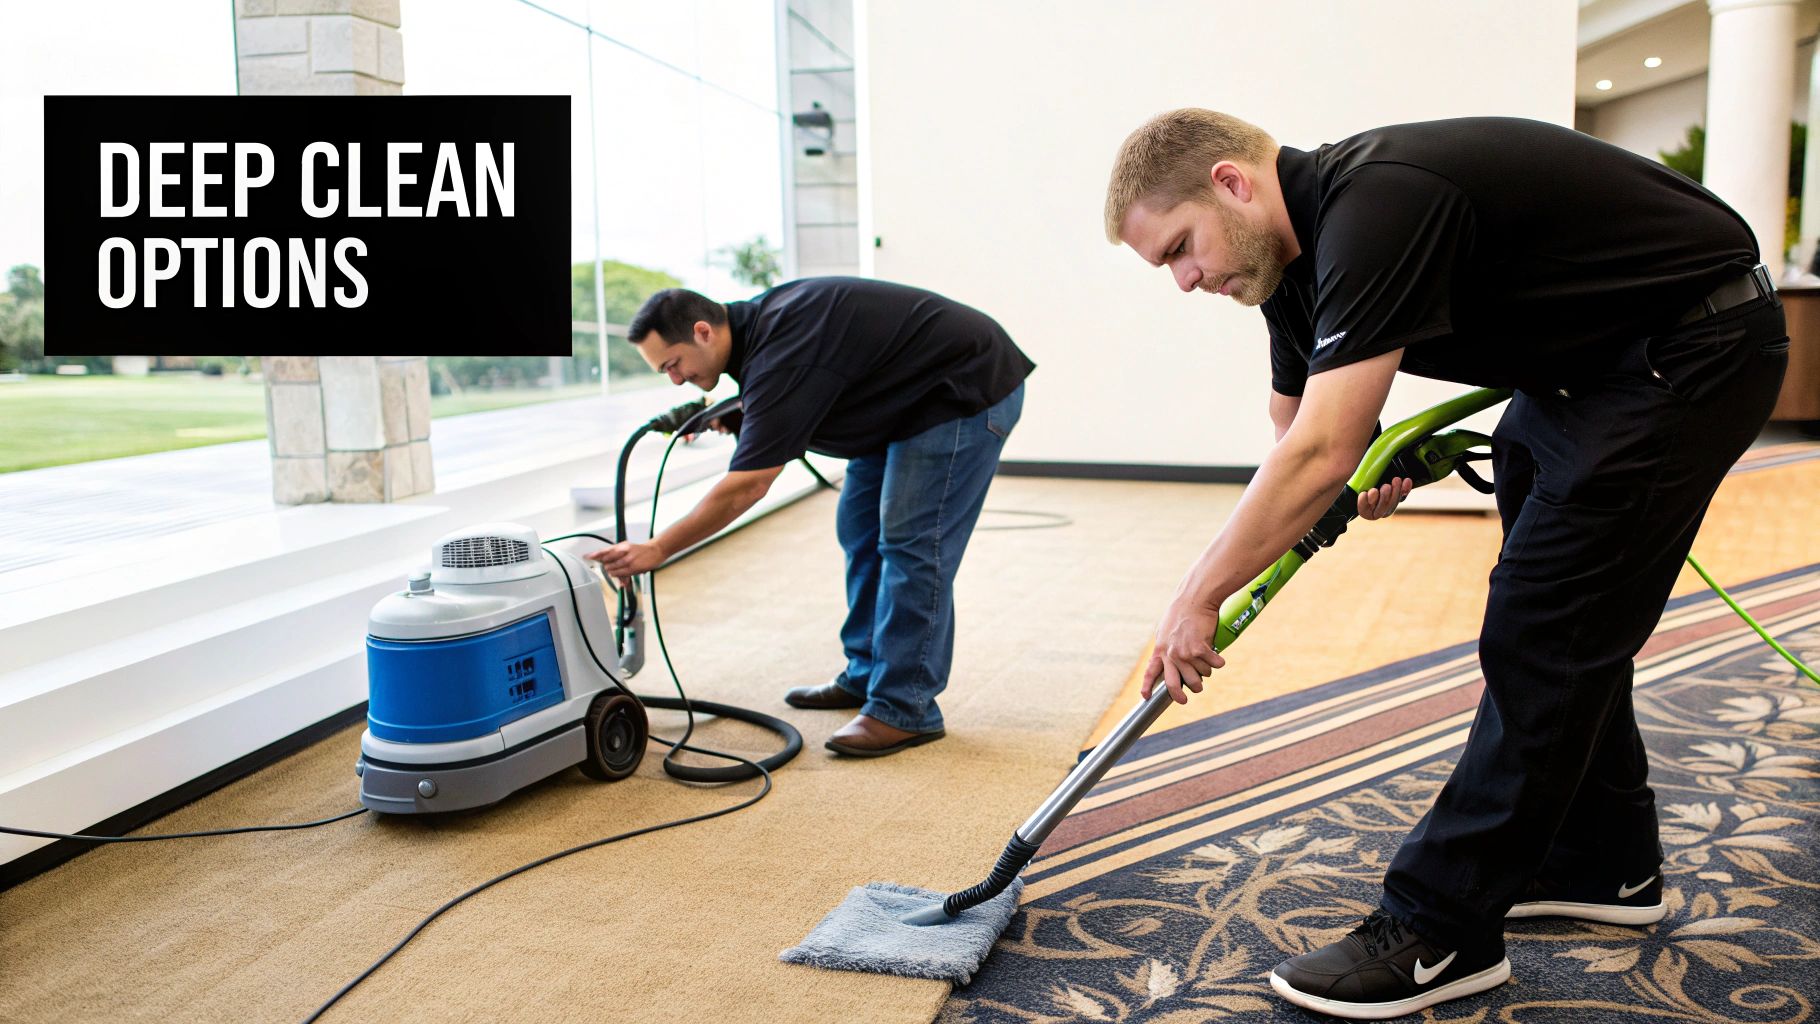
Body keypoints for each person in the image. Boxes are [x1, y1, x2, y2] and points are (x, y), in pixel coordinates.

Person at [1103, 110, 1786, 1019]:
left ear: (1232, 183)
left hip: (1690, 347)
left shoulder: (1381, 204)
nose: (1187, 280)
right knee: (1572, 615)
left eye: (1180, 249)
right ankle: (1605, 863)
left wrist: (1196, 598)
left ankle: (1441, 928)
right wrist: (1350, 473)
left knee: (1544, 626)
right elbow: (1299, 438)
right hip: (1582, 373)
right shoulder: (1285, 270)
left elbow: (1320, 451)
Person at [586, 278, 1034, 757]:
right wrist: (745, 413)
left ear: (702, 332)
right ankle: (866, 673)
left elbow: (747, 486)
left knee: (912, 544)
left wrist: (659, 547)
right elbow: (806, 384)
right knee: (859, 530)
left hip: (962, 391)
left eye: (673, 365)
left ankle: (907, 707)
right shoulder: (757, 331)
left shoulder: (782, 348)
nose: (674, 380)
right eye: (663, 373)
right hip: (901, 405)